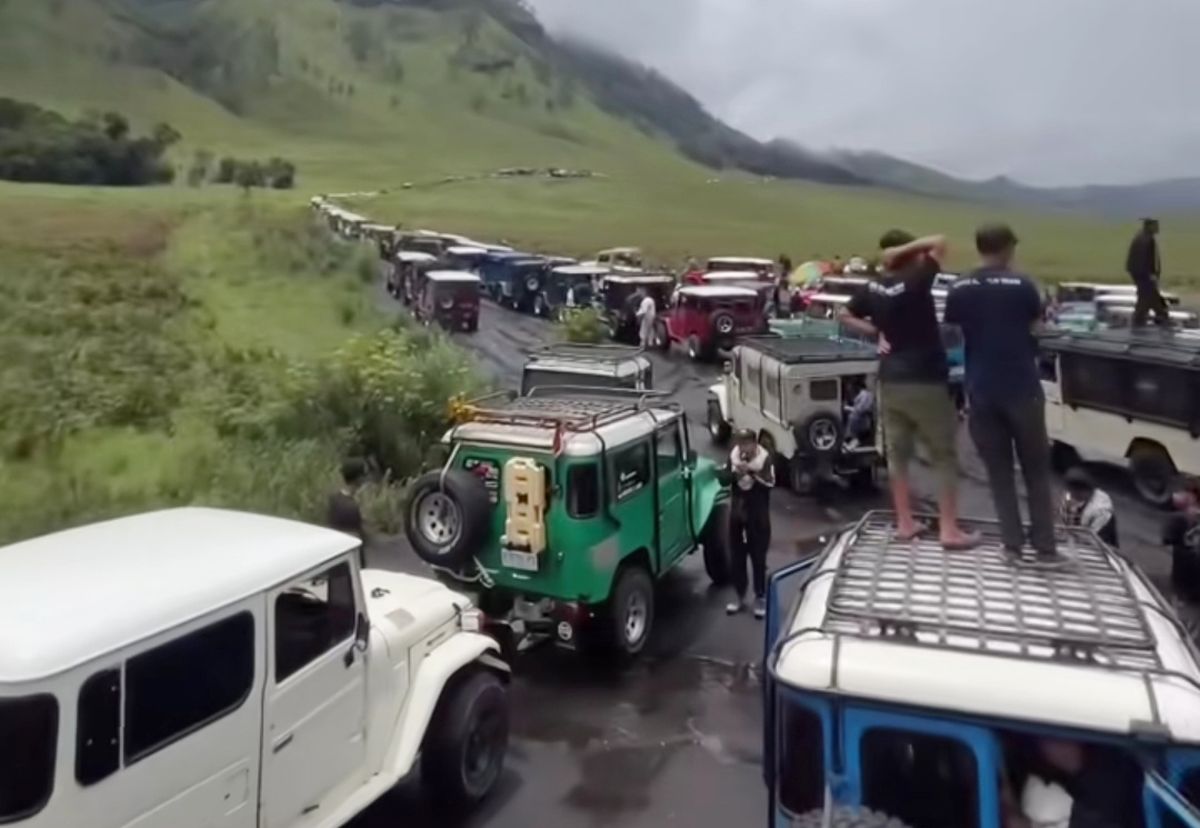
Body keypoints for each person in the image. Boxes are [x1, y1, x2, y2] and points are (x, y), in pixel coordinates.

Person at [841, 230, 978, 549]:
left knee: (897, 456)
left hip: (890, 379)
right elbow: (942, 240)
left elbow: (845, 314)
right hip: (925, 378)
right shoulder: (917, 279)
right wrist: (906, 249)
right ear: (910, 255)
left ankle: (904, 522)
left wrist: (875, 332)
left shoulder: (872, 288)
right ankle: (948, 529)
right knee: (943, 455)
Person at [944, 223, 1058, 559]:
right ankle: (1045, 547)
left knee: (999, 473)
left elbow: (955, 332)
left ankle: (1012, 546)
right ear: (1008, 248)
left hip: (981, 389)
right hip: (1022, 387)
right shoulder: (1023, 285)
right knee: (1036, 471)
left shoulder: (960, 287)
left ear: (979, 247)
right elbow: (1037, 329)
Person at [726, 429, 775, 619]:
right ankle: (739, 595)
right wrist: (732, 475)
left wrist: (752, 473)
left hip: (757, 514)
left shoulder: (765, 459)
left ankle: (760, 596)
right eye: (741, 444)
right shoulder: (733, 456)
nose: (743, 448)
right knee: (736, 555)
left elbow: (770, 484)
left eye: (747, 444)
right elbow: (726, 479)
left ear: (755, 444)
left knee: (758, 556)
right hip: (737, 513)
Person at [1126, 218, 1170, 328]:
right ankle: (1139, 322)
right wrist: (1151, 274)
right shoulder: (1146, 240)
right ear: (1149, 226)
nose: (1157, 228)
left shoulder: (1141, 237)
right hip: (1144, 275)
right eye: (1155, 226)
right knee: (1146, 298)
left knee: (1151, 297)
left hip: (1139, 273)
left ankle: (1162, 317)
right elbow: (1146, 259)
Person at [1059, 467, 1118, 547]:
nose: (1073, 495)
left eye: (1076, 492)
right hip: (1076, 539)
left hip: (1099, 547)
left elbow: (1096, 540)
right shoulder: (1070, 497)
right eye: (1071, 490)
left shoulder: (1101, 509)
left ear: (1088, 490)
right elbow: (1066, 521)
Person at [1164, 477, 1200, 602]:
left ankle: (1181, 597)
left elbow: (1168, 541)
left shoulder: (1179, 518)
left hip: (1185, 569)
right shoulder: (1182, 517)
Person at [328, 458, 367, 564]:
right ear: (358, 478)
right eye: (364, 475)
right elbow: (355, 539)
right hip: (349, 560)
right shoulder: (351, 507)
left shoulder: (334, 499)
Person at [844, 379, 875, 447]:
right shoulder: (858, 396)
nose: (850, 391)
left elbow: (861, 409)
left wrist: (848, 408)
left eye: (851, 388)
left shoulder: (865, 395)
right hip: (857, 425)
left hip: (862, 423)